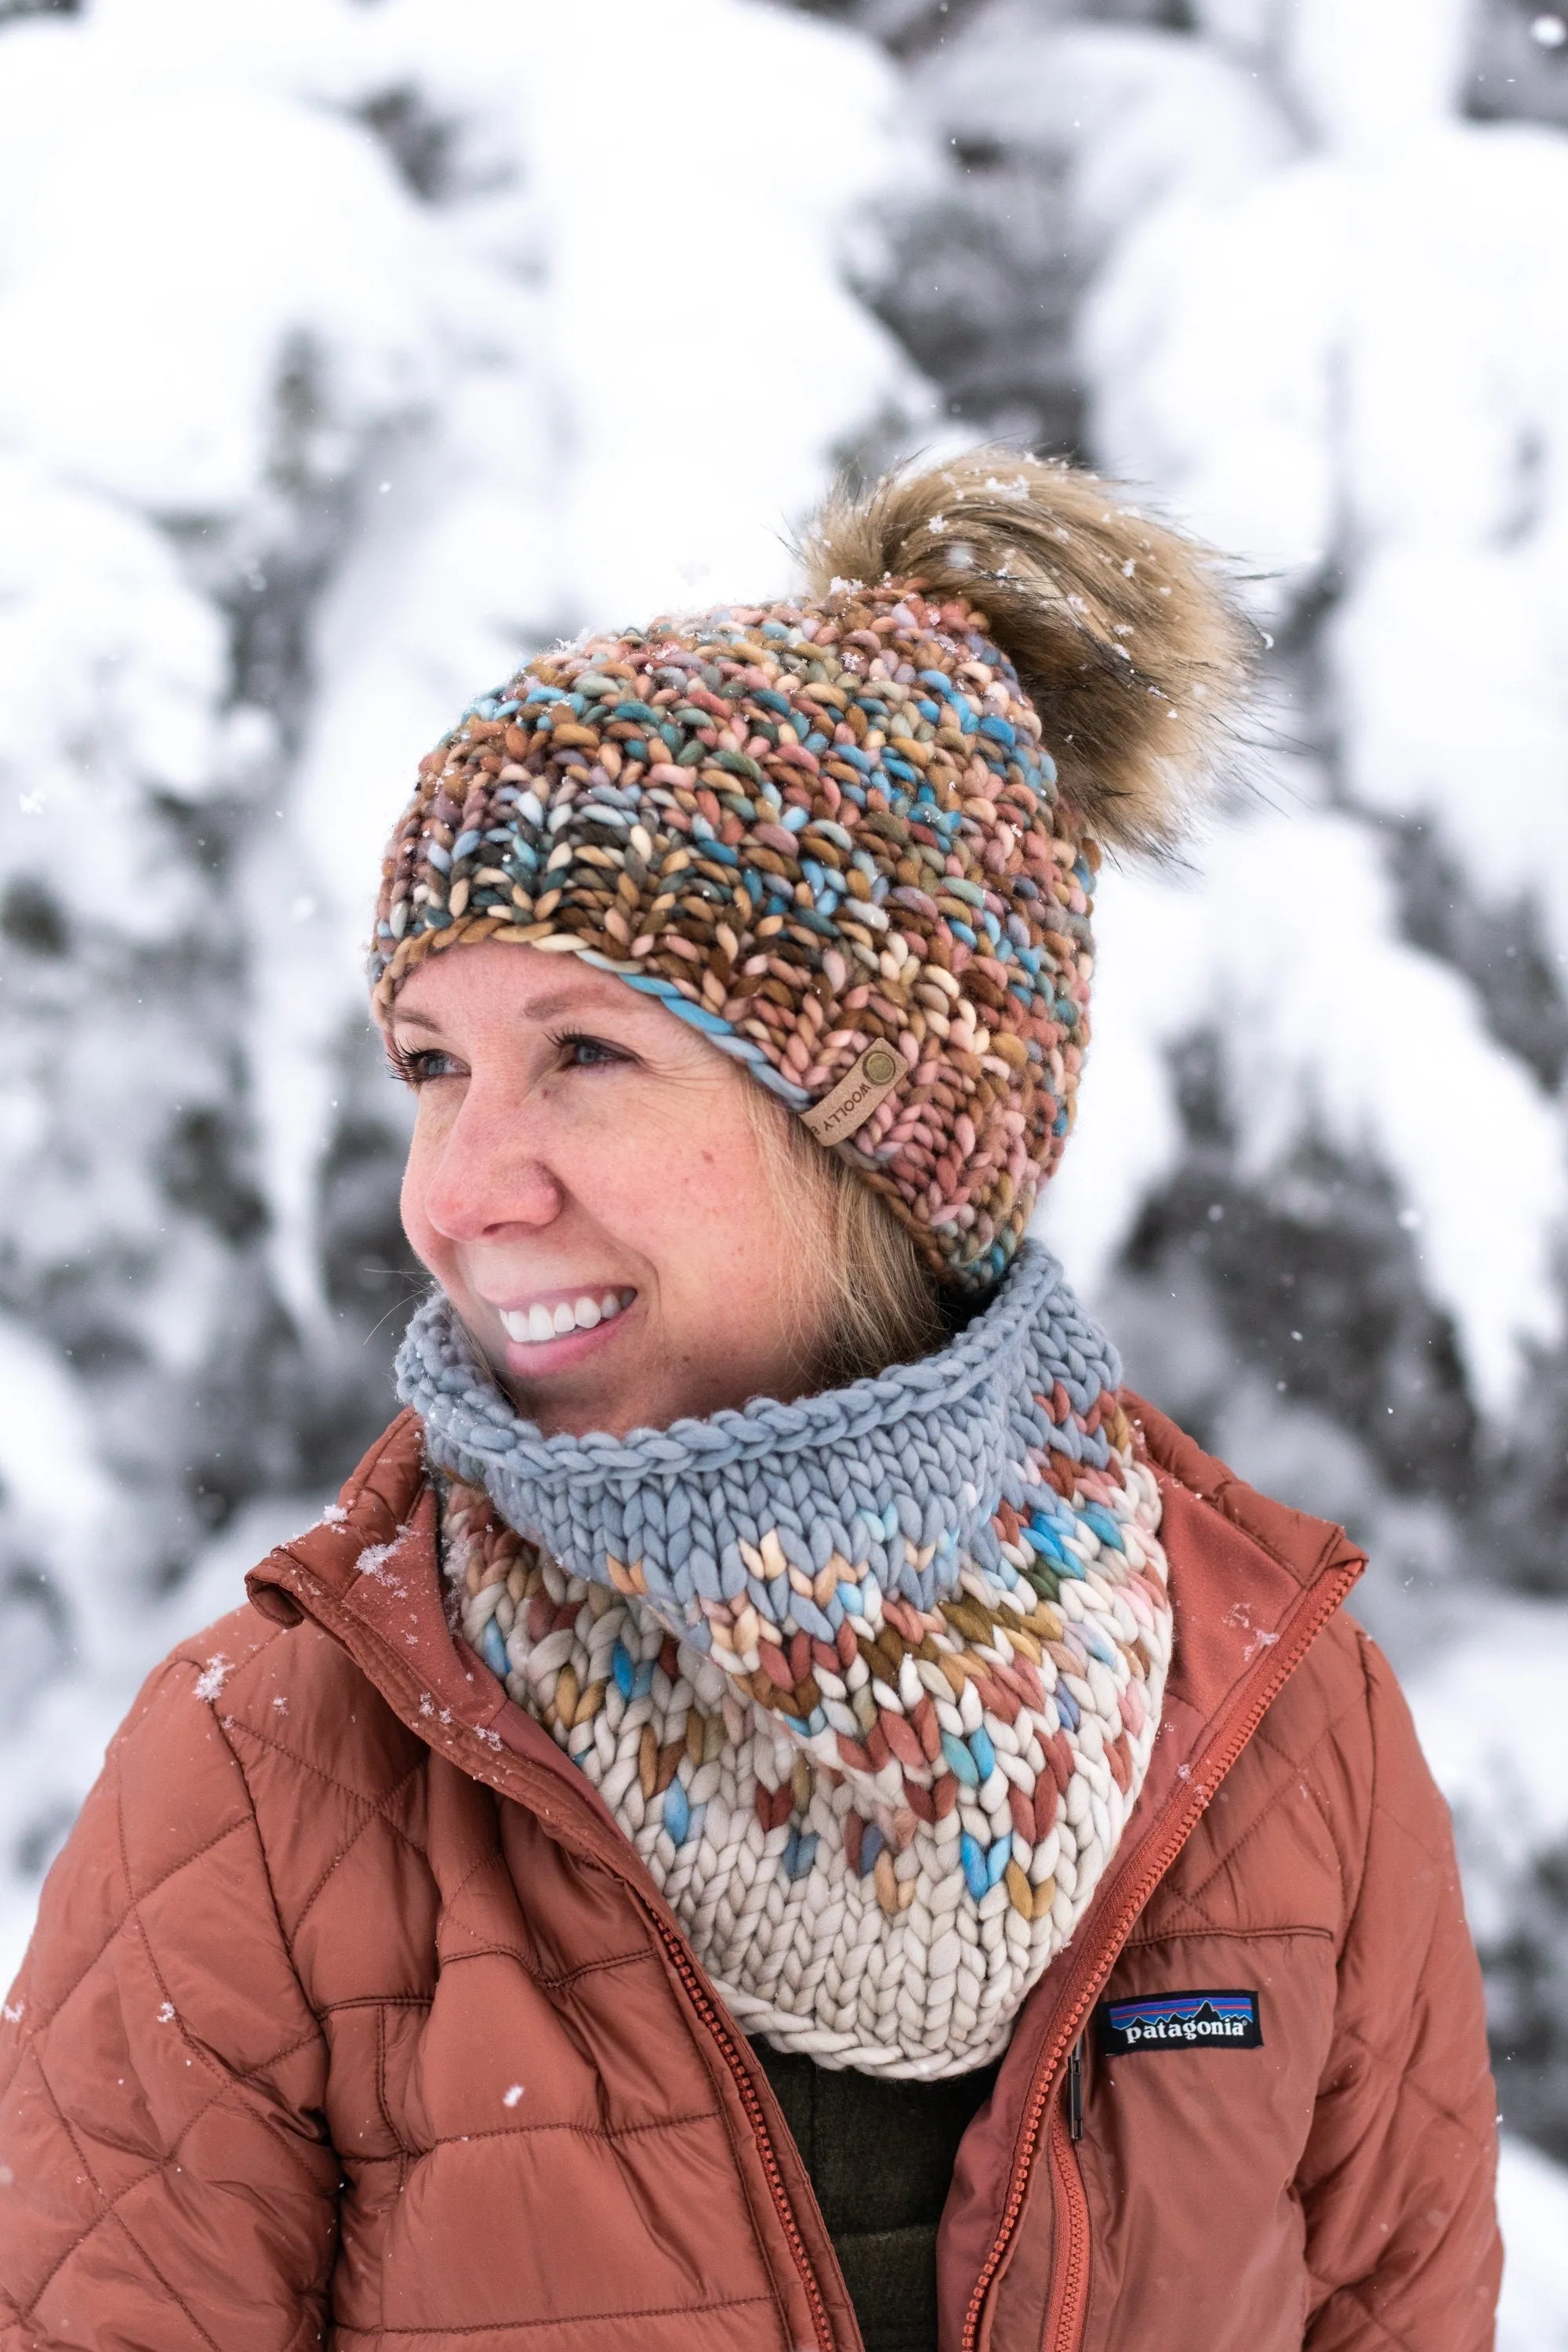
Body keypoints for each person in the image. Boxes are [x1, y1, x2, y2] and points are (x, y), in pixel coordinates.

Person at [0, 450, 1500, 2351]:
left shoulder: (1279, 1734)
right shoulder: (271, 1779)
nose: (460, 1188)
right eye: (431, 1066)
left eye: (589, 1054)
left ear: (889, 1136)